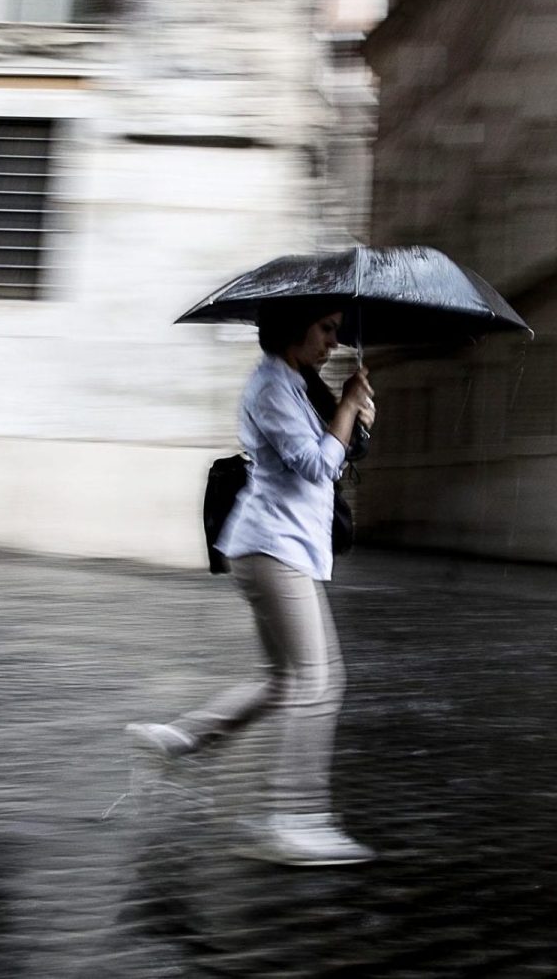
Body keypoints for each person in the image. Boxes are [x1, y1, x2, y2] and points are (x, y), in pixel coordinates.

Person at [129, 302, 378, 866]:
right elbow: (314, 465)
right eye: (326, 330)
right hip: (273, 548)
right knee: (321, 682)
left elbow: (334, 461)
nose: (333, 344)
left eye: (337, 334)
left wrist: (356, 416)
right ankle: (293, 817)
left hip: (279, 546)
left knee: (283, 682)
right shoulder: (270, 386)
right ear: (295, 327)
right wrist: (342, 408)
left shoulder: (296, 383)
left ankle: (179, 740)